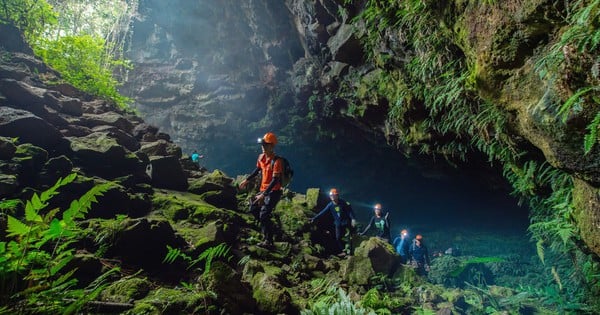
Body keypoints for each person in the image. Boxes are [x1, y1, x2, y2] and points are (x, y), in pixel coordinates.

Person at [239, 132, 283, 247]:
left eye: (266, 145)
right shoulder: (261, 157)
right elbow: (257, 170)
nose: (263, 147)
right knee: (253, 208)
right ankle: (269, 228)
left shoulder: (277, 161)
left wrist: (264, 195)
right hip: (263, 190)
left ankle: (269, 241)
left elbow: (275, 181)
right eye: (262, 145)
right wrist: (247, 180)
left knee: (264, 214)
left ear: (272, 146)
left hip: (274, 191)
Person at [310, 188, 357, 256]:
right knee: (338, 238)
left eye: (333, 195)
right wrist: (314, 218)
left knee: (348, 238)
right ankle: (343, 251)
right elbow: (322, 212)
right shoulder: (330, 205)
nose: (332, 197)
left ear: (337, 195)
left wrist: (353, 219)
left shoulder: (343, 203)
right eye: (331, 196)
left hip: (345, 223)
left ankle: (350, 253)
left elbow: (349, 211)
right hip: (338, 224)